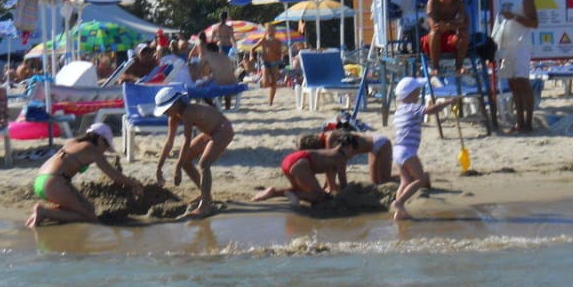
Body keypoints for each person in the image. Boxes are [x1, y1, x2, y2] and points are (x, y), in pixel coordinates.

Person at [26, 123, 143, 228]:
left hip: (41, 180)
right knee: (90, 217)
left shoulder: (73, 143)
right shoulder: (91, 149)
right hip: (54, 183)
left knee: (89, 209)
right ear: (100, 140)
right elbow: (113, 175)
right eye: (106, 146)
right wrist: (134, 184)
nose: (105, 150)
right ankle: (44, 212)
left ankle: (47, 213)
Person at [154, 86, 234, 218]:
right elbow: (169, 143)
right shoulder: (173, 117)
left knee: (204, 164)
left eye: (166, 109)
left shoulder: (189, 112)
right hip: (210, 133)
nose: (165, 113)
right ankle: (205, 195)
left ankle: (205, 205)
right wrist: (159, 167)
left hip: (223, 130)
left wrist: (177, 168)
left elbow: (186, 140)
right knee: (186, 161)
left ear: (176, 103)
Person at [390, 76, 461, 220]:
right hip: (408, 151)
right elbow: (430, 110)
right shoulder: (412, 108)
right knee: (420, 179)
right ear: (410, 94)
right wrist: (448, 102)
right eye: (417, 92)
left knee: (405, 181)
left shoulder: (399, 111)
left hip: (397, 150)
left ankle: (399, 213)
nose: (418, 95)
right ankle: (399, 202)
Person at [251, 135, 358, 206]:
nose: (353, 155)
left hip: (289, 159)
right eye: (353, 151)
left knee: (298, 189)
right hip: (300, 163)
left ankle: (272, 193)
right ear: (348, 147)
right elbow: (344, 185)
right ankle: (296, 196)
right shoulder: (340, 158)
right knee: (319, 196)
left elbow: (331, 185)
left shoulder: (330, 153)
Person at [494, 0, 539, 133]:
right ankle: (519, 121)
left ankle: (529, 122)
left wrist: (515, 17)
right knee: (513, 84)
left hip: (521, 45)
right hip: (506, 45)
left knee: (523, 82)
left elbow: (534, 23)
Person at [298, 129, 395, 185]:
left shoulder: (329, 140)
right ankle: (401, 178)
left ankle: (403, 178)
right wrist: (327, 186)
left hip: (381, 144)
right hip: (372, 148)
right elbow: (331, 170)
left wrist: (333, 187)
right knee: (375, 183)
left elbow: (334, 169)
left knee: (385, 181)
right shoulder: (326, 140)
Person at [421, 0, 469, 74]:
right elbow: (433, 24)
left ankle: (459, 67)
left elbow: (464, 22)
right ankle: (435, 67)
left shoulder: (458, 3)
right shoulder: (433, 2)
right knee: (435, 34)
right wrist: (452, 24)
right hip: (433, 40)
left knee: (463, 34)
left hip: (450, 37)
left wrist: (448, 26)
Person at [251, 23, 285, 106]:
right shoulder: (263, 40)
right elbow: (252, 48)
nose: (270, 32)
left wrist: (277, 56)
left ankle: (270, 101)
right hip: (264, 62)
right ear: (266, 31)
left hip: (274, 62)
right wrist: (251, 57)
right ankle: (265, 81)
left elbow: (280, 54)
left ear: (275, 31)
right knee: (266, 83)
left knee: (274, 82)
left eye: (272, 30)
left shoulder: (278, 42)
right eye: (269, 30)